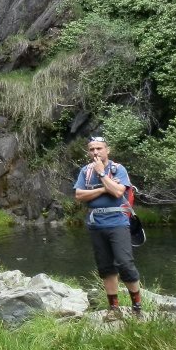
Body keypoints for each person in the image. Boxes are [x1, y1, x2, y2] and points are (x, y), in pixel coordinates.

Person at [74, 135, 142, 318]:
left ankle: (137, 309)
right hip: (96, 224)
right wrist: (104, 188)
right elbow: (79, 195)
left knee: (125, 263)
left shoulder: (118, 169)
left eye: (99, 148)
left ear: (107, 150)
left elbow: (119, 191)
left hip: (118, 222)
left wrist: (102, 173)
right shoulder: (85, 171)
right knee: (105, 267)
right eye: (92, 149)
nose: (95, 152)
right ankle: (114, 309)